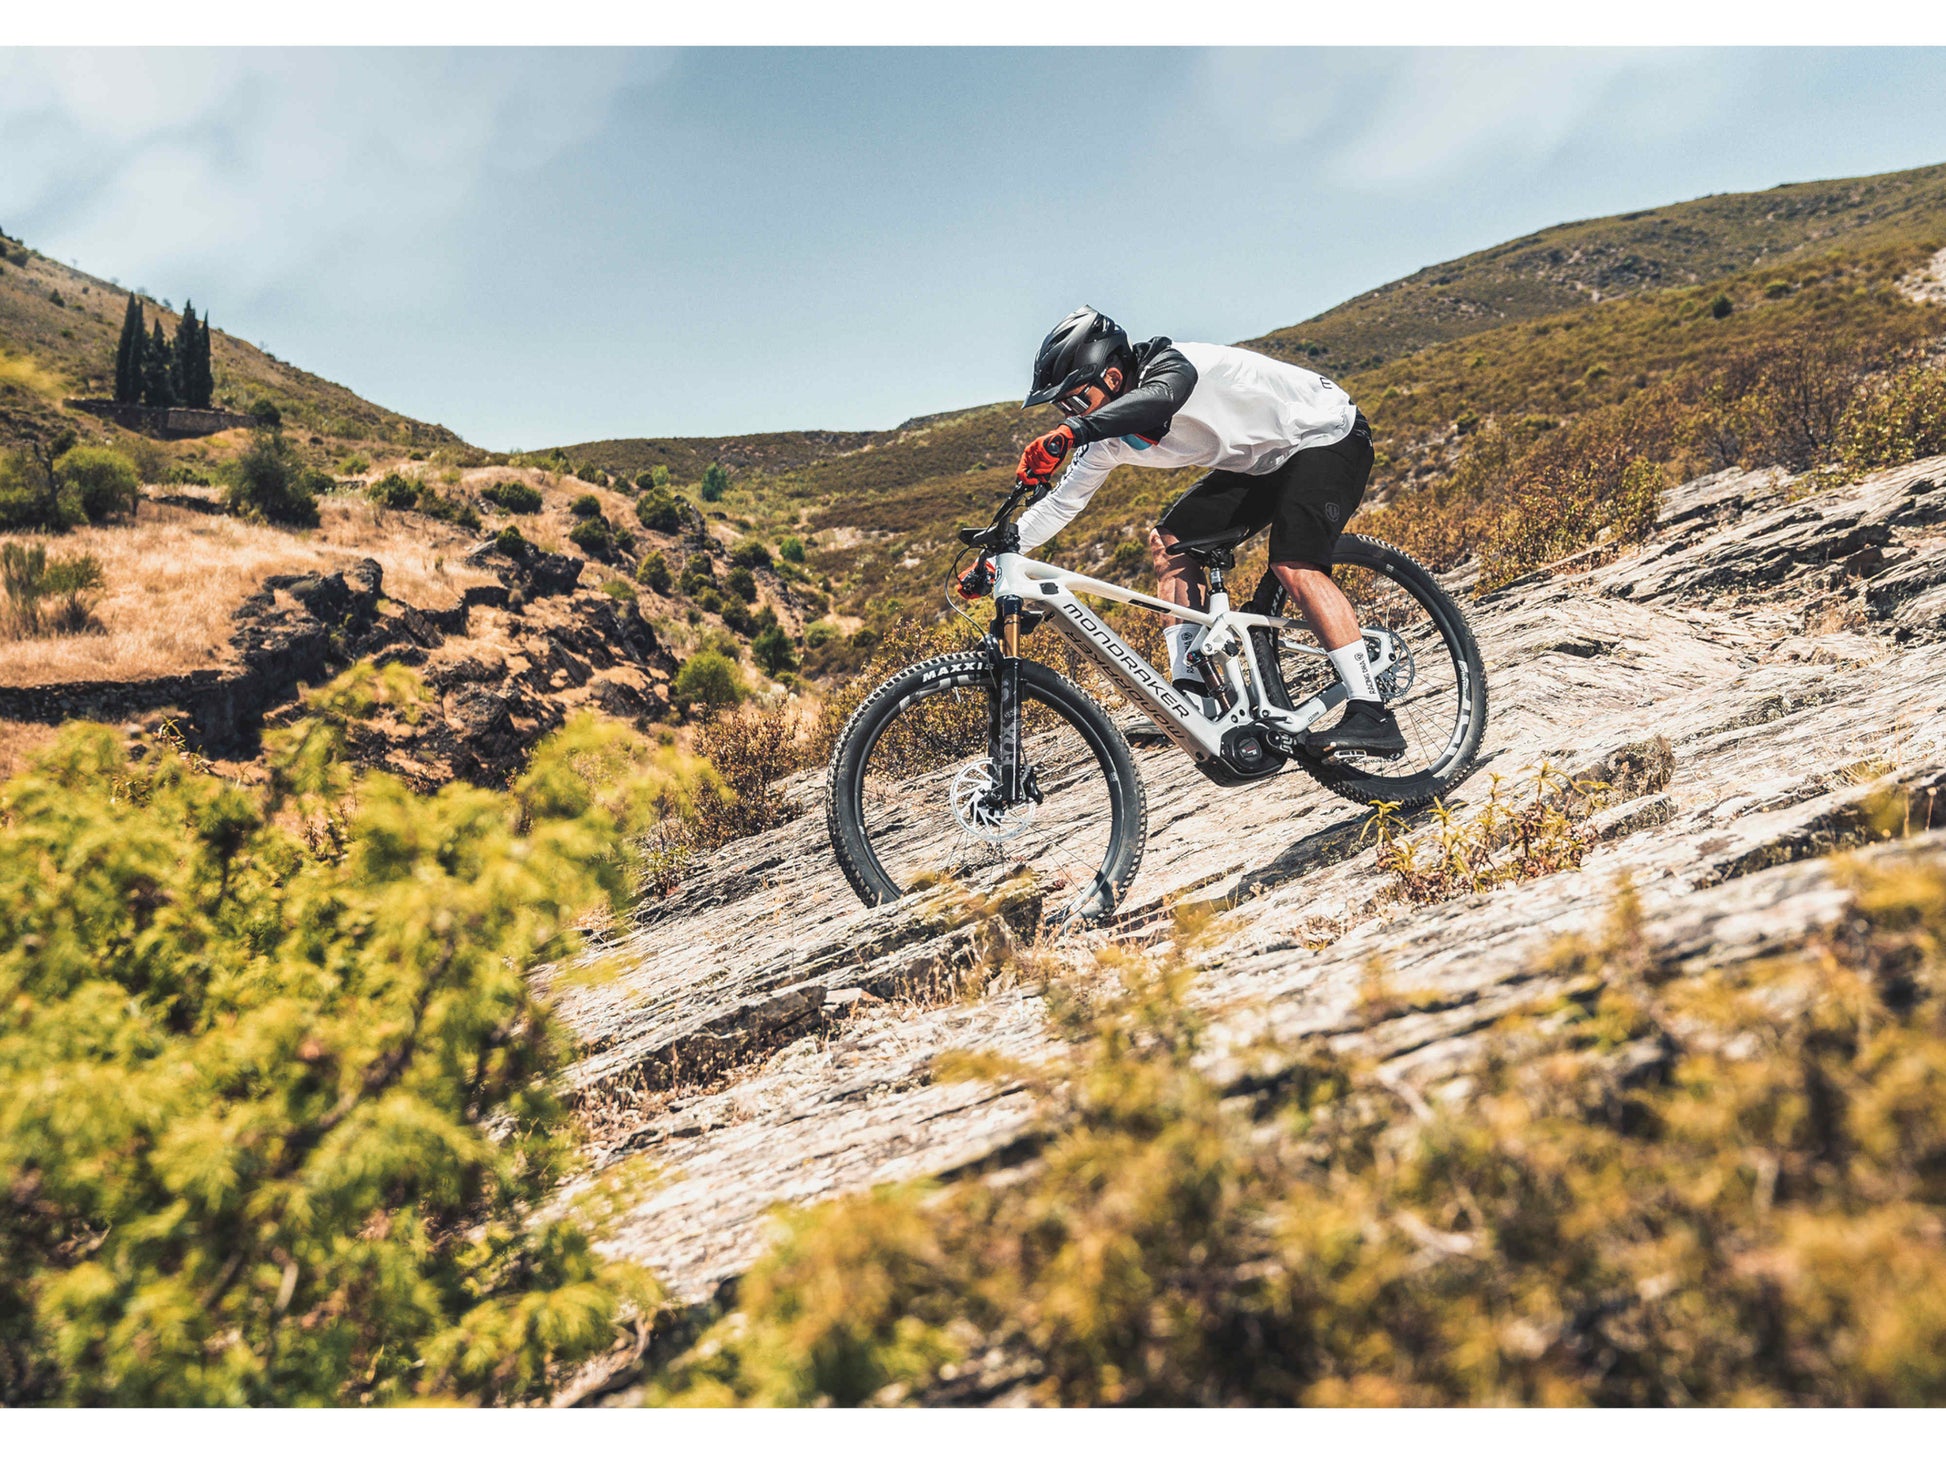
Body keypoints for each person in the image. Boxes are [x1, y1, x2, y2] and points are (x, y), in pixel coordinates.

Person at [982, 306, 1404, 757]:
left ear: (1110, 375)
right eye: (1062, 406)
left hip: (1324, 433)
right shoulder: (1104, 440)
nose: (1068, 411)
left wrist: (1071, 431)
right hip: (1258, 463)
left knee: (1292, 563)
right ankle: (1193, 700)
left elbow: (1162, 397)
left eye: (1075, 400)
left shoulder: (1175, 364)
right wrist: (994, 557)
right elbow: (1061, 504)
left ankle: (1371, 711)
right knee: (1170, 545)